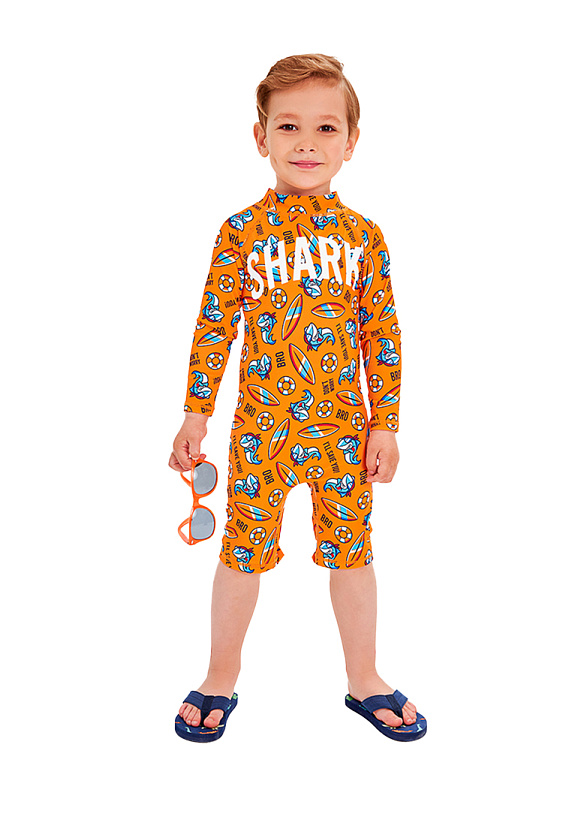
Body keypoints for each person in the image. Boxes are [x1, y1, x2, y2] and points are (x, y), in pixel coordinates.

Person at [169, 54, 426, 742]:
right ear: (261, 137)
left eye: (325, 127)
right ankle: (219, 675)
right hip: (261, 432)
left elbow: (382, 334)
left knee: (353, 555)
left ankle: (364, 677)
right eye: (288, 126)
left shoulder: (364, 237)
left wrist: (385, 425)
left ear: (351, 142)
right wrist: (195, 414)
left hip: (344, 434)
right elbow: (214, 327)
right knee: (241, 556)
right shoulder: (241, 232)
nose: (306, 143)